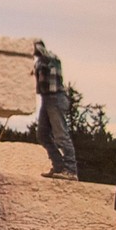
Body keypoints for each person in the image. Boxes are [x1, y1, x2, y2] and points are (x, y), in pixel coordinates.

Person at [34, 39, 78, 180]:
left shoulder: (52, 58)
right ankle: (59, 166)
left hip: (56, 98)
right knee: (42, 134)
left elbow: (46, 55)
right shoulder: (39, 64)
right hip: (46, 99)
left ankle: (71, 170)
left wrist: (32, 46)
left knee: (61, 135)